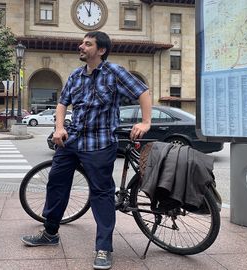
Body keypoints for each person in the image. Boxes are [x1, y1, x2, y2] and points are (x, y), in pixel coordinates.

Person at [21, 31, 151, 270]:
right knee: (56, 184)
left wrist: (145, 122)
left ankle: (104, 248)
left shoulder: (114, 72)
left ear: (100, 50)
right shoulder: (75, 75)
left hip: (100, 144)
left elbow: (143, 91)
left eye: (87, 44)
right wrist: (59, 128)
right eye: (82, 42)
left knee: (101, 193)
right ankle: (50, 234)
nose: (81, 46)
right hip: (71, 142)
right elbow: (62, 103)